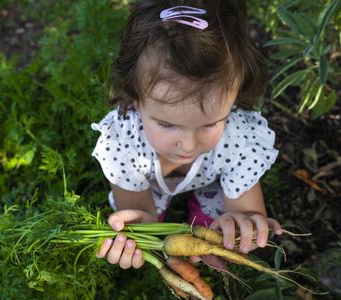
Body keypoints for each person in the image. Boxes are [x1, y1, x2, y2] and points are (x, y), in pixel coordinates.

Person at [91, 0, 282, 270]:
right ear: (135, 98)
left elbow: (246, 212)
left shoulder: (238, 139)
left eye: (210, 124)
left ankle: (207, 225)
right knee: (148, 226)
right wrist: (141, 232)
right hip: (150, 183)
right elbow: (138, 212)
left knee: (221, 220)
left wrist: (242, 225)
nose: (189, 145)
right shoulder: (124, 144)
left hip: (210, 177)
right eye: (167, 125)